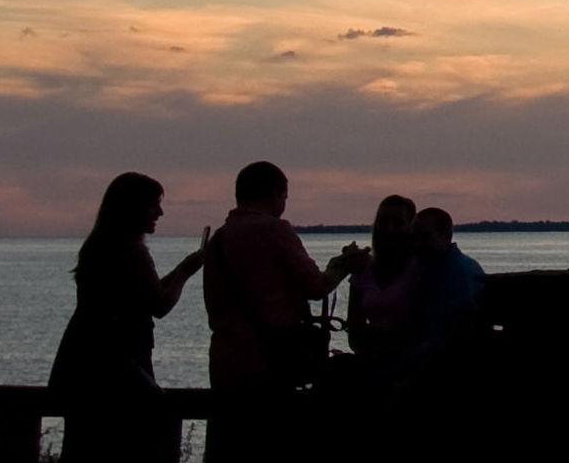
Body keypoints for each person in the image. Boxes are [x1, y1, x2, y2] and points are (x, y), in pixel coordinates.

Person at [47, 171, 208, 397]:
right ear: (133, 208)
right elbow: (159, 305)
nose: (160, 213)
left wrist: (182, 267)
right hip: (119, 363)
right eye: (154, 206)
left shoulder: (99, 247)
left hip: (85, 360)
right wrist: (185, 272)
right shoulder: (131, 251)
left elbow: (143, 295)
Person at [200, 160, 356, 395]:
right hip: (269, 360)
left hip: (225, 361)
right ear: (276, 194)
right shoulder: (274, 230)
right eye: (284, 198)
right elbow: (315, 287)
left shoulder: (218, 241)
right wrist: (343, 267)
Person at [335, 194, 432, 387]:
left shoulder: (420, 270)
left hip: (411, 363)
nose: (389, 229)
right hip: (371, 357)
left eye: (398, 223)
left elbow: (420, 328)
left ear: (410, 228)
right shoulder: (364, 270)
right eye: (383, 222)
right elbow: (354, 329)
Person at [412, 206, 487, 368]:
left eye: (425, 237)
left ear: (446, 236)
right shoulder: (432, 267)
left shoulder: (461, 274)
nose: (417, 244)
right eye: (414, 238)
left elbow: (461, 334)